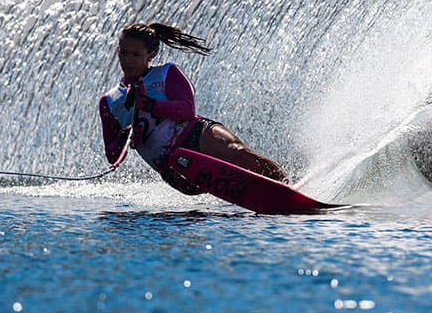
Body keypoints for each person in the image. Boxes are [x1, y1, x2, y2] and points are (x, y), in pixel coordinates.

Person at [99, 22, 289, 194]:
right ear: (118, 51)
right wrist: (125, 136)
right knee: (193, 183)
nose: (128, 60)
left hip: (196, 134)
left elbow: (187, 111)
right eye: (124, 53)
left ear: (151, 55)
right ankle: (261, 194)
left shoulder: (166, 73)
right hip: (168, 161)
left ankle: (290, 185)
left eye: (136, 54)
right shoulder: (110, 101)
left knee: (238, 153)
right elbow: (112, 155)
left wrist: (150, 105)